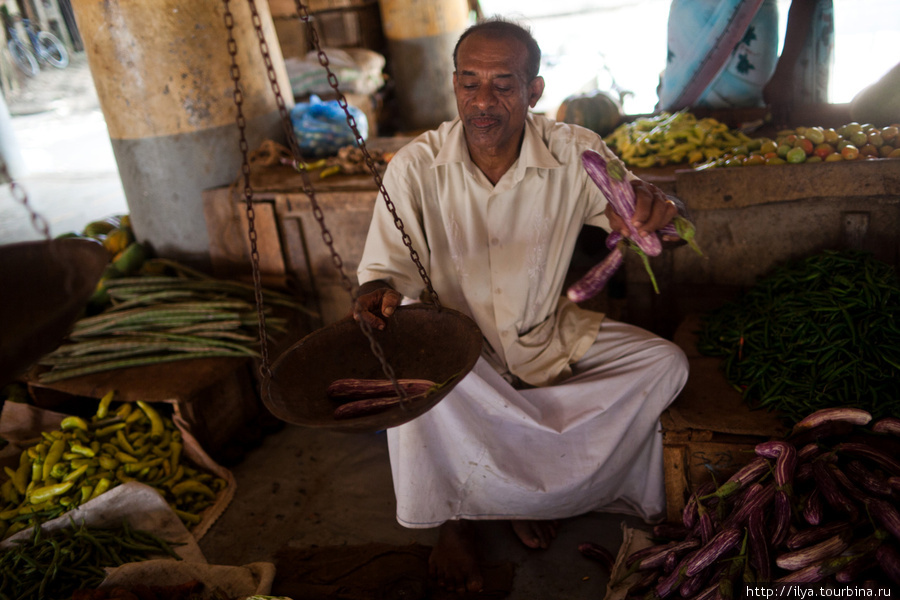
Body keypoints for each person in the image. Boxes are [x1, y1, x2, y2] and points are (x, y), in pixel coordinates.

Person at [354, 18, 690, 594]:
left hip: (542, 334)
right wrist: (373, 298)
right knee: (406, 372)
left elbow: (646, 216)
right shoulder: (415, 165)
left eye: (503, 85)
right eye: (469, 83)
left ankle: (524, 492)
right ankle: (457, 521)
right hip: (455, 351)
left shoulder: (575, 152)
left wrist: (662, 209)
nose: (483, 102)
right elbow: (383, 272)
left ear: (534, 92)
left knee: (666, 365)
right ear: (454, 84)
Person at [658, 0, 834, 126]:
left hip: (749, 35)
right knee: (680, 131)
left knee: (751, 131)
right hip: (686, 35)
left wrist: (785, 72)